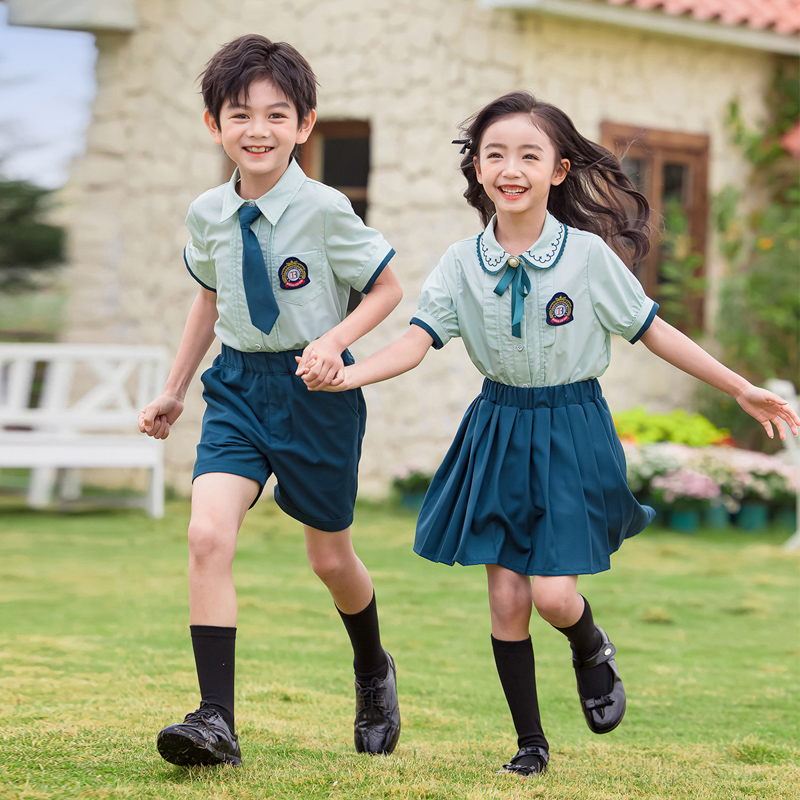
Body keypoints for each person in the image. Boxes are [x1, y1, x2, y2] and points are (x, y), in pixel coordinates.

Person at [298, 91, 800, 777]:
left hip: (571, 427)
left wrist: (738, 386)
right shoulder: (460, 263)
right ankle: (529, 743)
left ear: (558, 170)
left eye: (529, 155)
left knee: (554, 596)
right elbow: (416, 343)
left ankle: (589, 644)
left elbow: (654, 331)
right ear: (476, 168)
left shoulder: (588, 258)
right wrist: (347, 376)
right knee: (507, 597)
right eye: (495, 154)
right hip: (498, 427)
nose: (511, 168)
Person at [138, 34, 403, 767]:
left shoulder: (325, 210)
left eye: (276, 115)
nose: (258, 130)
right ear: (213, 125)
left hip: (317, 391)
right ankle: (214, 718)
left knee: (329, 559)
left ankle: (373, 669)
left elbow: (387, 288)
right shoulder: (207, 213)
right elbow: (210, 296)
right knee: (206, 535)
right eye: (240, 114)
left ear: (305, 124)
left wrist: (334, 340)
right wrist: (174, 389)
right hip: (238, 388)